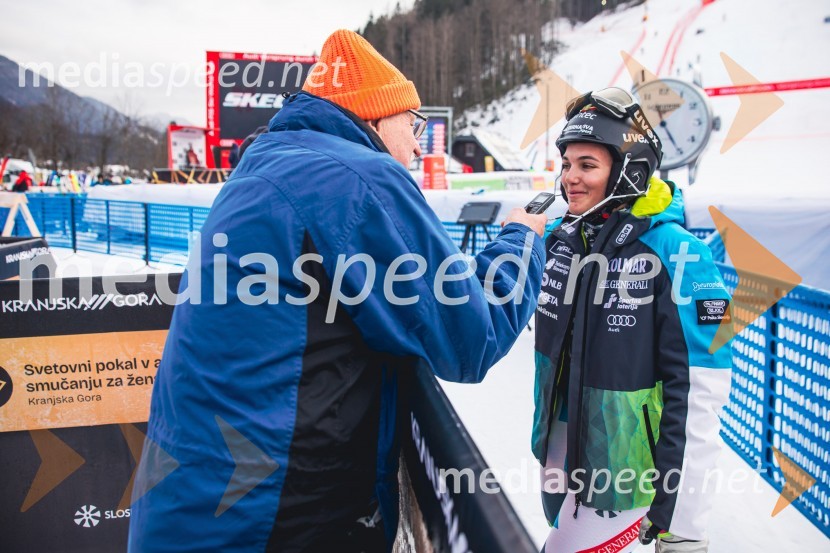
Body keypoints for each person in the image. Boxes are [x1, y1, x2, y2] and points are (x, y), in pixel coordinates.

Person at [129, 29, 547, 552]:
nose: (419, 145)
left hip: (196, 507)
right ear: (374, 118)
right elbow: (471, 337)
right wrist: (521, 241)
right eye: (412, 125)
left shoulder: (270, 164)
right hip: (267, 520)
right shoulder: (355, 177)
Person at [532, 88, 733, 553]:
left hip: (625, 476)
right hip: (560, 452)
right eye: (566, 164)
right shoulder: (567, 240)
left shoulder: (679, 253)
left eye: (587, 165)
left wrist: (684, 523)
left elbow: (702, 389)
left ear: (629, 171)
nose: (570, 179)